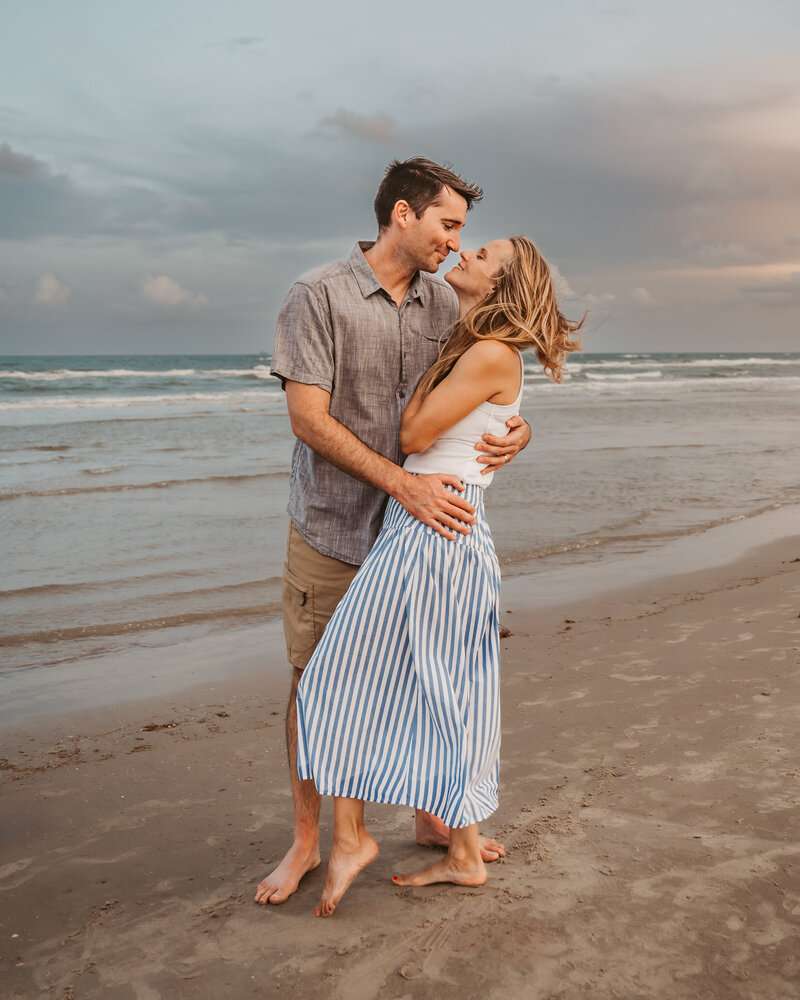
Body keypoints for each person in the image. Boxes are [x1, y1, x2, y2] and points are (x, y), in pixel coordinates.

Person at [255, 158, 532, 906]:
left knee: (429, 671)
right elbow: (308, 421)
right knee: (318, 677)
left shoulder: (451, 305)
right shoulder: (318, 295)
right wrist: (402, 484)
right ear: (403, 216)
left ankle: (437, 818)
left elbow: (488, 383)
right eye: (449, 225)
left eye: (463, 232)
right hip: (337, 525)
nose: (454, 241)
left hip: (428, 536)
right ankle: (310, 841)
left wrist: (519, 429)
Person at [296, 234, 583, 917]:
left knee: (348, 674)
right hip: (432, 528)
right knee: (446, 684)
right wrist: (516, 421)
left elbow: (416, 434)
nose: (465, 256)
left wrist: (500, 409)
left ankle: (360, 839)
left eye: (480, 256)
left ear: (499, 287)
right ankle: (450, 844)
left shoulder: (484, 351)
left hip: (435, 534)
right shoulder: (478, 347)